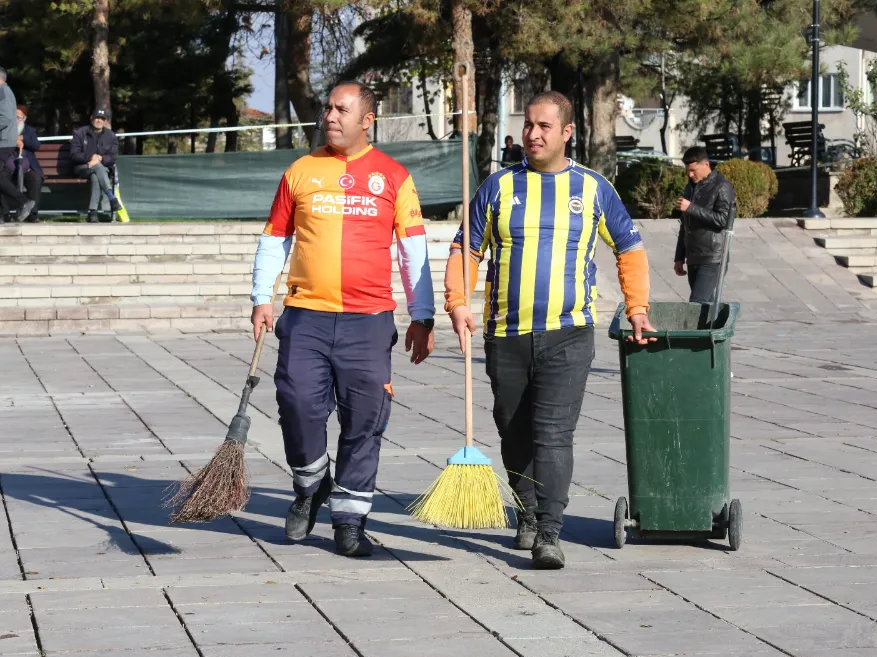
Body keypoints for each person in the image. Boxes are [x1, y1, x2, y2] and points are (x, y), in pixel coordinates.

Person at [445, 91, 652, 570]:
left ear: (567, 132)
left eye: (543, 126)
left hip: (569, 334)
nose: (533, 134)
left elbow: (630, 249)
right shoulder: (498, 187)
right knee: (513, 431)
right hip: (506, 335)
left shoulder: (594, 189)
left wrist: (636, 306)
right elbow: (467, 250)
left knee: (553, 434)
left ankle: (549, 533)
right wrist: (457, 302)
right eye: (528, 126)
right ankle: (528, 511)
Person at [250, 81, 435, 557]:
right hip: (306, 316)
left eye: (341, 109)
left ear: (366, 120)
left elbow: (413, 250)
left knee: (364, 420)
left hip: (368, 322)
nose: (330, 116)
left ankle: (350, 520)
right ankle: (311, 485)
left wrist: (423, 314)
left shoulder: (393, 176)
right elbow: (275, 239)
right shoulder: (301, 170)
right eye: (327, 108)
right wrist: (261, 298)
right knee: (296, 403)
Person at [673, 146, 736, 305]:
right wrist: (679, 257)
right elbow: (685, 224)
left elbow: (723, 221)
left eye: (693, 170)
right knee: (705, 305)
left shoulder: (722, 187)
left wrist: (691, 208)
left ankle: (710, 328)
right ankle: (718, 328)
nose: (690, 174)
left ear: (706, 164)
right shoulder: (691, 187)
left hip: (713, 257)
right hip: (694, 256)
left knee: (697, 303)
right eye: (688, 170)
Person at [69, 109, 121, 223]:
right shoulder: (80, 133)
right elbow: (74, 155)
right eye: (97, 118)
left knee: (96, 174)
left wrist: (100, 159)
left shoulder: (111, 136)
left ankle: (93, 213)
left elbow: (113, 157)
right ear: (91, 118)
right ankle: (111, 197)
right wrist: (90, 158)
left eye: (102, 119)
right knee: (98, 168)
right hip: (82, 167)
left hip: (100, 169)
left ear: (105, 121)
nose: (99, 120)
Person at [0, 67, 34, 222]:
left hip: (3, 141)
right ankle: (5, 212)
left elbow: (6, 118)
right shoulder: (6, 91)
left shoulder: (2, 91)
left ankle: (23, 201)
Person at [1, 105, 43, 222]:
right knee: (1, 179)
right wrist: (12, 141)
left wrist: (23, 138)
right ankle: (5, 213)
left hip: (26, 166)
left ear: (24, 118)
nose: (16, 120)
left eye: (19, 117)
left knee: (36, 179)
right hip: (7, 166)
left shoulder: (29, 130)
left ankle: (32, 213)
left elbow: (36, 145)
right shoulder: (5, 129)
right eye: (13, 117)